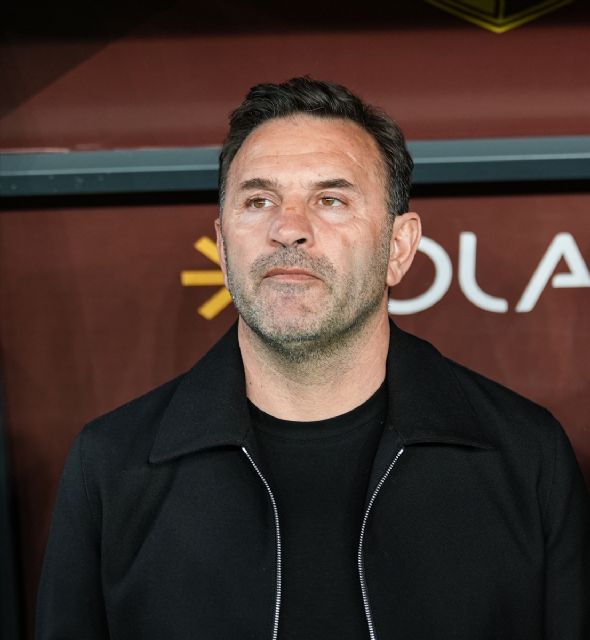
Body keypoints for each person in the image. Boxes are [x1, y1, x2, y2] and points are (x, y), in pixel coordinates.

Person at [37, 77, 590, 640]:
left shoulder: (526, 456)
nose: (288, 229)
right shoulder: (110, 465)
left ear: (399, 247)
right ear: (223, 247)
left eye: (331, 200)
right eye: (259, 201)